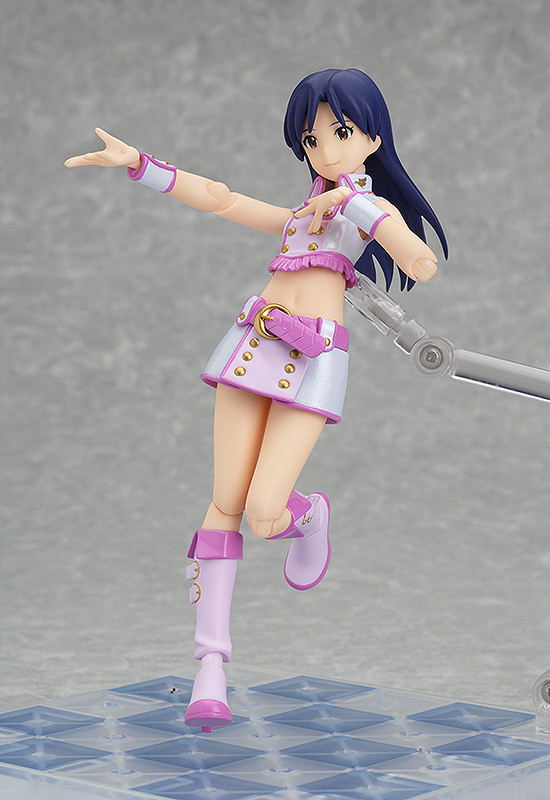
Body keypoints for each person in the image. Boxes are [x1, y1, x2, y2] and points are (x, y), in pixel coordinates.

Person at [65, 68, 447, 732]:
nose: (324, 150)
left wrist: (354, 204)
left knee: (267, 513)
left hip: (312, 359)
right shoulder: (299, 217)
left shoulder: (364, 212)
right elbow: (222, 199)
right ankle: (209, 670)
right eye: (312, 138)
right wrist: (141, 165)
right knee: (225, 503)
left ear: (372, 138)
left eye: (341, 133)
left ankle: (310, 517)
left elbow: (420, 264)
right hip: (252, 347)